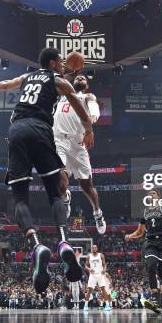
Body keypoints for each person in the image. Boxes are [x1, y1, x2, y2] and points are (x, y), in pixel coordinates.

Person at [0, 48, 92, 294]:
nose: (64, 66)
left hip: (17, 131)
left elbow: (7, 84)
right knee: (57, 192)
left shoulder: (27, 77)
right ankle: (63, 243)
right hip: (41, 130)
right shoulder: (58, 80)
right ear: (53, 63)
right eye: (61, 63)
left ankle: (36, 245)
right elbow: (77, 106)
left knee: (20, 197)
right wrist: (89, 128)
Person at [53, 74, 106, 234]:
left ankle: (97, 213)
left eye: (84, 78)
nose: (81, 77)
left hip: (78, 144)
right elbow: (56, 80)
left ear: (86, 85)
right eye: (79, 77)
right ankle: (66, 198)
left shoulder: (88, 96)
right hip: (59, 141)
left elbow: (93, 105)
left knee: (87, 187)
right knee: (59, 181)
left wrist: (94, 116)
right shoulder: (63, 93)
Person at [125, 188, 162, 314]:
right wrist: (130, 236)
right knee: (151, 265)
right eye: (149, 193)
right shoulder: (145, 212)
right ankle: (155, 299)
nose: (151, 194)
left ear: (158, 196)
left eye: (153, 193)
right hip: (150, 243)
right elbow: (140, 232)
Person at [83, 245, 111, 312]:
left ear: (97, 248)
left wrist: (104, 269)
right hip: (92, 275)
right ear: (92, 249)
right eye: (93, 248)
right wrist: (89, 269)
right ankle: (86, 306)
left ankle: (107, 305)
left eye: (95, 247)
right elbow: (86, 265)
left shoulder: (101, 255)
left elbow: (104, 264)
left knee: (103, 290)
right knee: (89, 290)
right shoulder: (89, 256)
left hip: (100, 274)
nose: (94, 248)